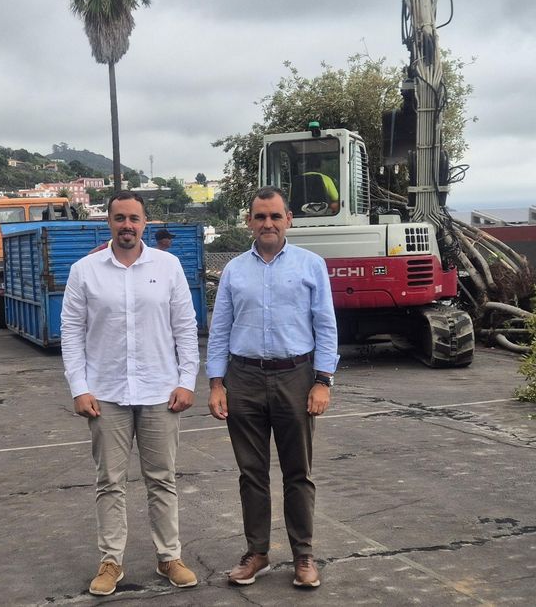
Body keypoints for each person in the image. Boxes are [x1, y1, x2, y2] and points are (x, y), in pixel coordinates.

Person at [61, 191, 200, 596]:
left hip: (161, 391)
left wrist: (186, 380)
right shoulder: (85, 271)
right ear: (109, 222)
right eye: (119, 218)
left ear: (145, 223)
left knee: (162, 479)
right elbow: (71, 333)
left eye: (134, 219)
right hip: (105, 394)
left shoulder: (168, 266)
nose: (127, 225)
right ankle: (111, 562)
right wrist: (79, 387)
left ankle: (169, 557)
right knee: (110, 482)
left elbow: (185, 328)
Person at [207, 186, 338, 589]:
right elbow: (220, 329)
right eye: (260, 217)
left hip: (295, 377)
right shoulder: (233, 270)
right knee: (252, 473)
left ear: (289, 219)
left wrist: (322, 381)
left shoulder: (311, 265)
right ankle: (257, 553)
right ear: (249, 221)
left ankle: (303, 555)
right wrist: (216, 383)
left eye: (275, 216)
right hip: (243, 378)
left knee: (299, 472)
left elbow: (326, 326)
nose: (267, 223)